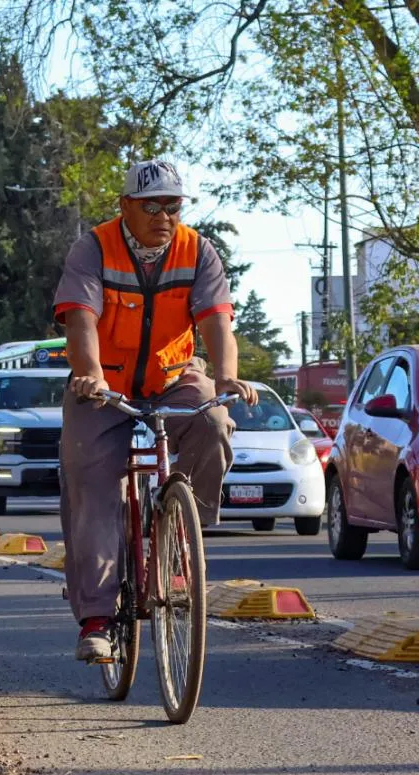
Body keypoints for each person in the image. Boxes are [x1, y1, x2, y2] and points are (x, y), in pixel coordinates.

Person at [54, 158, 258, 661]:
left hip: (172, 377)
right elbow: (80, 320)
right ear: (126, 206)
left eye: (173, 205)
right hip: (105, 386)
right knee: (92, 488)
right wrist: (91, 375)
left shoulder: (197, 250)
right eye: (152, 206)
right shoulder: (93, 248)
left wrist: (227, 375)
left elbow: (216, 322)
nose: (164, 215)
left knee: (213, 421)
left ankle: (178, 530)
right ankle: (97, 618)